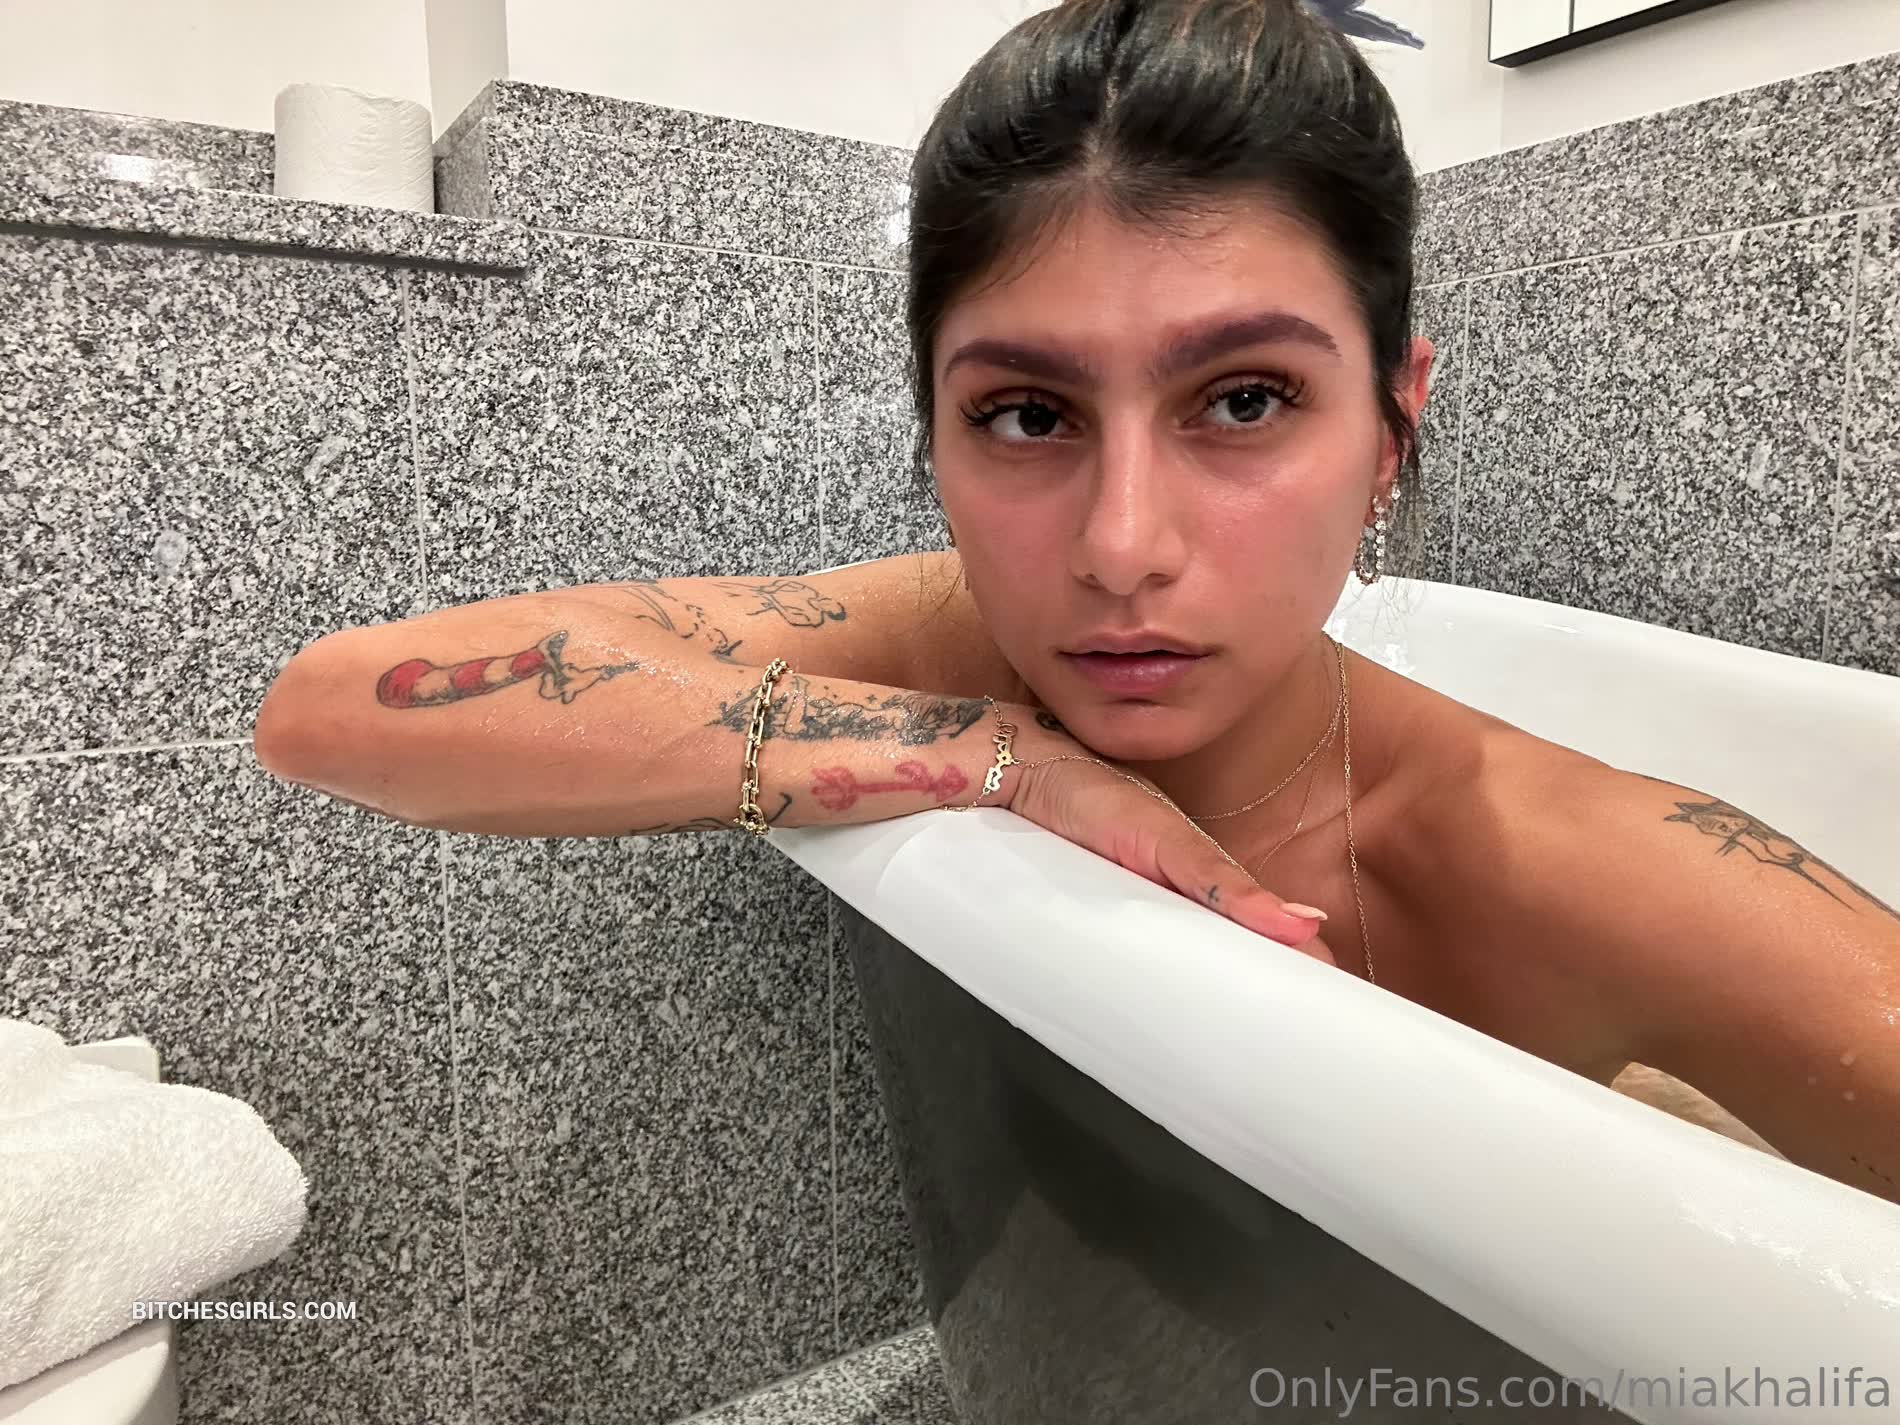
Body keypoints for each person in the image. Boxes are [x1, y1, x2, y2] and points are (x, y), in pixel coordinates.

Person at [253, 0, 1900, 1204]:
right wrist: (1002, 755)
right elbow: (330, 708)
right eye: (1028, 414)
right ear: (934, 429)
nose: (1120, 546)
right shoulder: (960, 643)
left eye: (1243, 399)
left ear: (1394, 425)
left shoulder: (1561, 858)